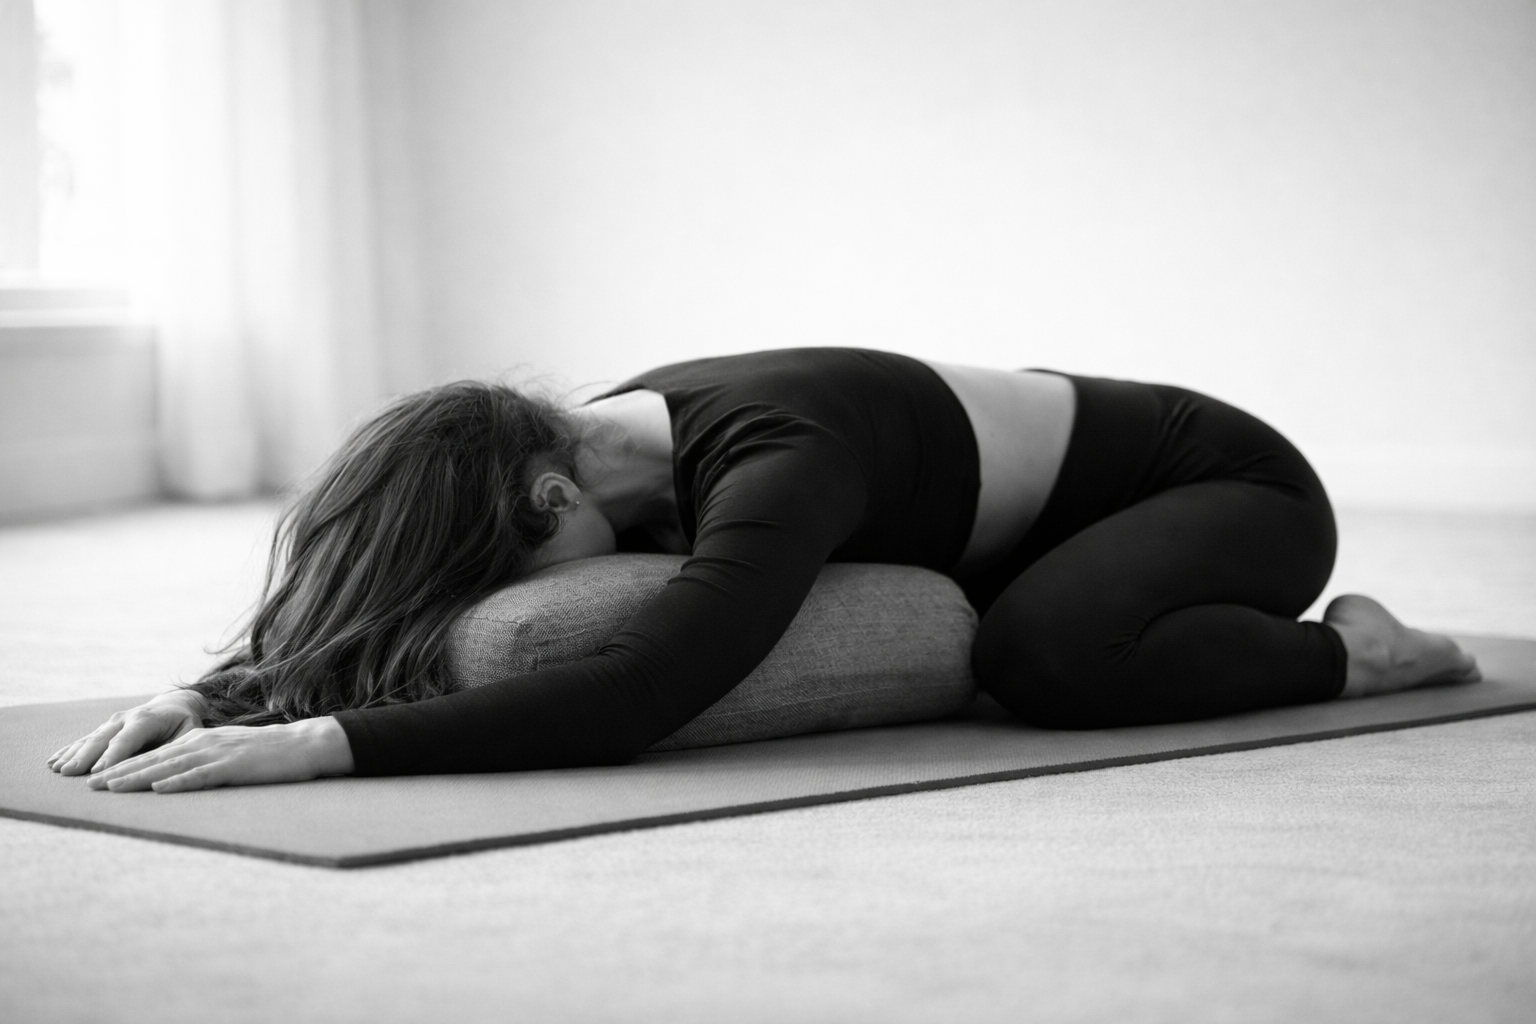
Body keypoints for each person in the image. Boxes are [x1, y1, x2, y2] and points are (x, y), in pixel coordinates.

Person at [48, 348, 1480, 793]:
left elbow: (652, 686)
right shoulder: (584, 448)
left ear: (553, 490)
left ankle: (1364, 650)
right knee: (1023, 633)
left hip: (1227, 487)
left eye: (507, 570)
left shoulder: (776, 464)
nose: (503, 607)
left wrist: (322, 745)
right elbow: (391, 583)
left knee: (1042, 662)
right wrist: (216, 691)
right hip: (1057, 518)